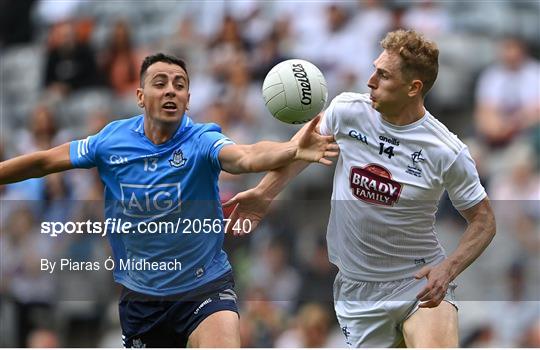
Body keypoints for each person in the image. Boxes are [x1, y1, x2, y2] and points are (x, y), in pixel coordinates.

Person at [0, 53, 338, 348]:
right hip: (142, 297)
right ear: (140, 96)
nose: (170, 90)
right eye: (160, 83)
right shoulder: (111, 141)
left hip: (204, 286)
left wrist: (292, 149)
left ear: (188, 99)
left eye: (179, 84)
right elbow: (43, 161)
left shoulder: (202, 140)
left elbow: (247, 156)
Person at [224, 29, 496, 347]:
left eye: (383, 75)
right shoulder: (348, 111)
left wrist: (448, 269)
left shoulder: (446, 151)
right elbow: (302, 151)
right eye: (373, 69)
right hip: (358, 289)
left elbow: (484, 221)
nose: (370, 81)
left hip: (417, 281)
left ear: (413, 87)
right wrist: (264, 192)